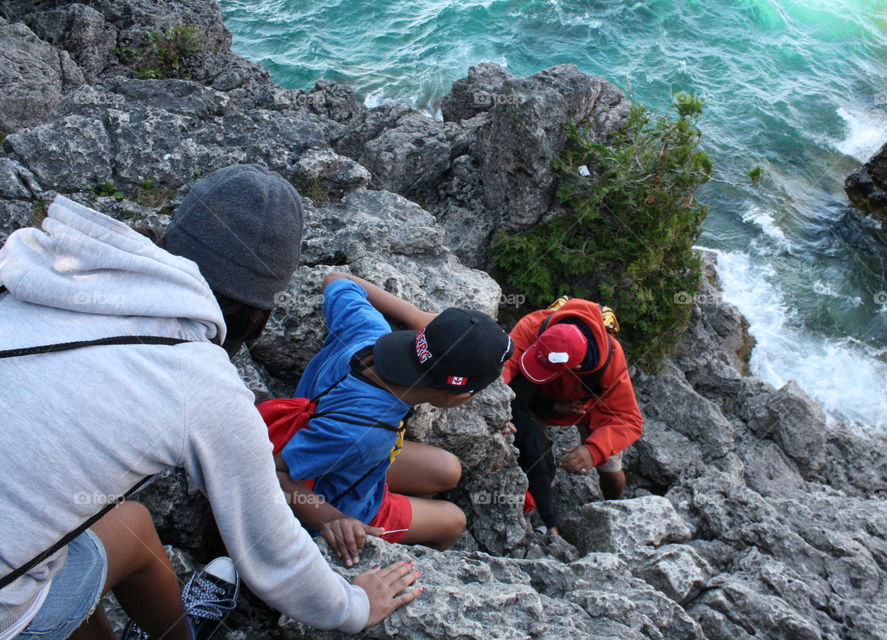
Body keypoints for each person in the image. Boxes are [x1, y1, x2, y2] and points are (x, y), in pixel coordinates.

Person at [0, 165, 418, 640]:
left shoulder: (41, 277)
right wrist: (356, 605)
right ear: (259, 312)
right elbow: (272, 550)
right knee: (125, 530)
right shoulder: (199, 381)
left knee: (84, 537)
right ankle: (182, 634)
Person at [271, 272, 514, 567]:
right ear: (454, 397)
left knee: (447, 470)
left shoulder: (368, 332)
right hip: (344, 500)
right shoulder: (364, 434)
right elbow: (276, 472)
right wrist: (332, 519)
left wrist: (414, 313)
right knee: (453, 520)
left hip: (340, 454)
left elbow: (337, 279)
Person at [502, 297, 644, 536]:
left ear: (575, 368)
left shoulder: (610, 361)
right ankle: (532, 509)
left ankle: (612, 508)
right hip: (538, 399)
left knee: (611, 471)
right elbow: (505, 367)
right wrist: (499, 410)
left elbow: (628, 419)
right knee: (528, 448)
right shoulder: (532, 326)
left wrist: (593, 450)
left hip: (588, 408)